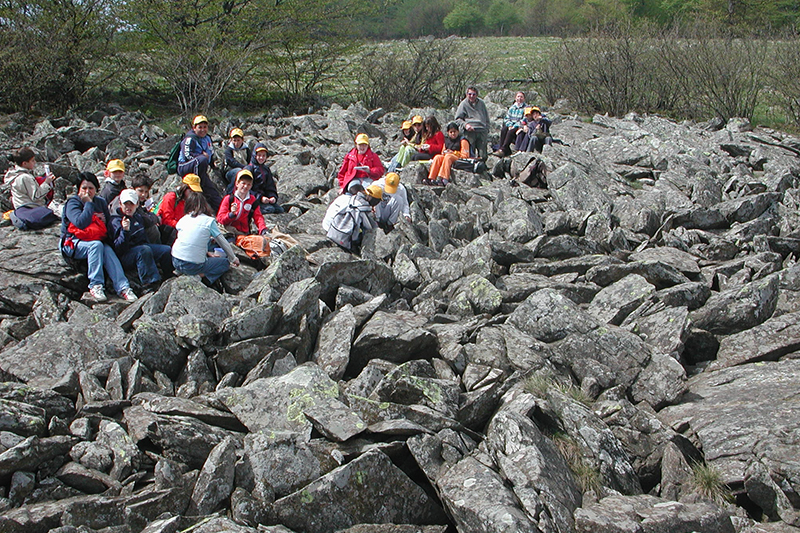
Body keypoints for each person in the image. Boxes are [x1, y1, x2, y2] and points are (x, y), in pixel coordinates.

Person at [60, 172, 138, 303]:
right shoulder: (73, 203)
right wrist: (88, 204)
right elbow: (80, 223)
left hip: (95, 239)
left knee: (107, 249)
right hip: (73, 243)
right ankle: (96, 285)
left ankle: (123, 288)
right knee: (96, 246)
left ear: (96, 189)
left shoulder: (100, 202)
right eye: (84, 188)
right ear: (78, 189)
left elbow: (107, 224)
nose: (87, 191)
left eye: (91, 188)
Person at [110, 189, 173, 293]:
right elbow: (118, 248)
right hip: (126, 255)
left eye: (132, 204)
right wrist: (125, 231)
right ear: (120, 203)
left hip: (142, 248)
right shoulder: (115, 221)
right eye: (126, 204)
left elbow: (150, 220)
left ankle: (168, 276)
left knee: (166, 250)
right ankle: (150, 283)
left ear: (137, 204)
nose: (128, 207)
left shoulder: (138, 217)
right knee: (144, 250)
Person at [172, 190, 239, 285]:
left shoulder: (184, 219)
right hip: (193, 264)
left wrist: (207, 253)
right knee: (224, 263)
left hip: (175, 259)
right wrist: (233, 258)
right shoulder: (209, 221)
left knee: (202, 240)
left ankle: (181, 271)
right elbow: (222, 242)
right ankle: (200, 276)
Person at [177, 115, 222, 212]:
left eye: (204, 127)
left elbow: (211, 153)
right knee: (202, 159)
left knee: (213, 192)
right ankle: (198, 184)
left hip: (201, 167)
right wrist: (201, 155)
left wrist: (212, 164)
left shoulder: (207, 139)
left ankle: (221, 212)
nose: (202, 130)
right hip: (185, 166)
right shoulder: (189, 139)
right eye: (199, 127)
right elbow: (187, 155)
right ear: (194, 128)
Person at [322, 184, 382, 251]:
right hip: (344, 237)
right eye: (378, 201)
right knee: (368, 233)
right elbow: (371, 227)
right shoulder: (364, 209)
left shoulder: (352, 199)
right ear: (373, 199)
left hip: (332, 229)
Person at [157, 174, 202, 246]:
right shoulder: (171, 197)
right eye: (191, 191)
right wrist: (183, 226)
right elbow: (166, 220)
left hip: (179, 228)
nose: (193, 194)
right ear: (184, 188)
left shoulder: (190, 201)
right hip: (167, 230)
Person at [425, 122, 470, 187]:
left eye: (454, 132)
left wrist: (453, 153)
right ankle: (431, 178)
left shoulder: (463, 141)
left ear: (458, 132)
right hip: (447, 156)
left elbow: (465, 155)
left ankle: (444, 179)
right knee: (437, 157)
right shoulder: (446, 141)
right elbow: (442, 152)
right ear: (448, 133)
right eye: (451, 132)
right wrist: (445, 152)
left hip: (458, 158)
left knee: (448, 156)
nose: (453, 134)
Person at [455, 86, 490, 160]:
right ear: (467, 94)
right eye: (470, 94)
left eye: (474, 94)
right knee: (470, 154)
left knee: (483, 155)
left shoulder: (481, 103)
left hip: (481, 130)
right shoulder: (463, 104)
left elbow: (486, 117)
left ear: (477, 95)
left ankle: (482, 168)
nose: (472, 96)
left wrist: (487, 128)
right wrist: (465, 125)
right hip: (469, 131)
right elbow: (458, 119)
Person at [248, 143, 283, 214]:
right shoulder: (249, 169)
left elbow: (270, 186)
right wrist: (260, 198)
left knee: (280, 210)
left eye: (263, 155)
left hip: (264, 199)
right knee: (270, 209)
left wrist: (272, 196)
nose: (261, 158)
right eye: (259, 155)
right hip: (253, 200)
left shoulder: (266, 169)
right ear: (255, 155)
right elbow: (247, 190)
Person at [494, 91, 526, 157]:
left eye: (521, 97)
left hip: (519, 126)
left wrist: (514, 126)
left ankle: (503, 149)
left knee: (510, 132)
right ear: (515, 98)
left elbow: (524, 120)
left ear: (524, 99)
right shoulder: (512, 108)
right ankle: (501, 148)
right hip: (511, 124)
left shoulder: (526, 108)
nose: (519, 98)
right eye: (518, 96)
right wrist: (510, 125)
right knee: (504, 130)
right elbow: (507, 118)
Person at [224, 128, 251, 193]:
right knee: (238, 172)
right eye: (234, 140)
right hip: (230, 171)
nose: (236, 143)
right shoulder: (229, 150)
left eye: (238, 140)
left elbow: (250, 160)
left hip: (245, 169)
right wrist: (244, 167)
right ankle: (230, 192)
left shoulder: (246, 150)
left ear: (242, 140)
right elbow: (231, 162)